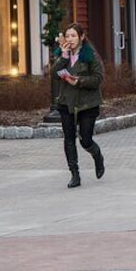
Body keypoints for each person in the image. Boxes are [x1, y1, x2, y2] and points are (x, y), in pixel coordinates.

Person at [52, 23, 105, 189]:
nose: (70, 39)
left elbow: (98, 78)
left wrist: (79, 81)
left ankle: (97, 155)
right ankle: (74, 174)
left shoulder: (90, 55)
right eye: (67, 36)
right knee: (69, 139)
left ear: (81, 37)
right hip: (66, 102)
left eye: (73, 36)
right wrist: (64, 57)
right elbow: (53, 74)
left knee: (85, 139)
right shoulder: (63, 55)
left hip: (87, 104)